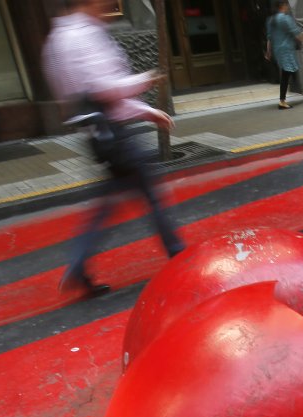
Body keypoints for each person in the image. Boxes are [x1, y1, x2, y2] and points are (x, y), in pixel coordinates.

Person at [43, 0, 185, 297]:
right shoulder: (84, 36)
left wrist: (144, 111)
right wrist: (146, 82)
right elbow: (105, 88)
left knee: (106, 203)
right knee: (152, 196)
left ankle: (79, 265)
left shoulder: (56, 40)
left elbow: (78, 97)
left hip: (98, 134)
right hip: (117, 132)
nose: (106, 7)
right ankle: (180, 258)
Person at [265, 0, 303, 109]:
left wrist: (268, 52)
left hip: (279, 51)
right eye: (286, 5)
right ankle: (282, 101)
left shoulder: (270, 20)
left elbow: (269, 38)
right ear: (283, 6)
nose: (287, 8)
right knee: (287, 74)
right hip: (286, 50)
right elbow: (296, 33)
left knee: (291, 70)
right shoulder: (285, 18)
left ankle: (299, 91)